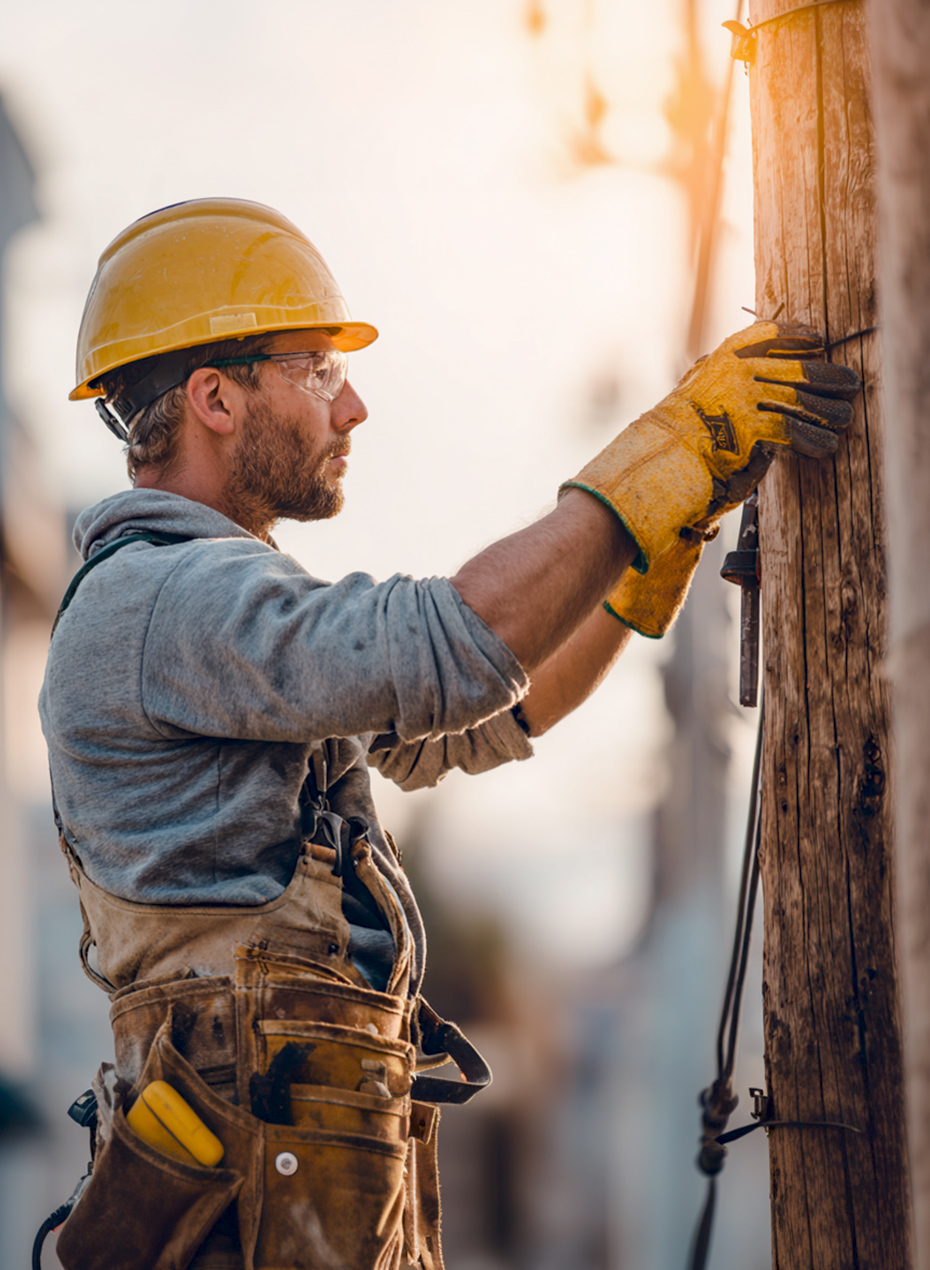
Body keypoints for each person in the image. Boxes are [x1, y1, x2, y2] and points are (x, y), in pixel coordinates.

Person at [39, 198, 859, 1270]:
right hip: (246, 1207)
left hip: (293, 1188)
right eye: (321, 370)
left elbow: (484, 716)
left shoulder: (213, 613)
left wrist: (647, 557)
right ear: (214, 398)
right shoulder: (159, 602)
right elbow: (454, 645)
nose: (355, 407)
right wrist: (669, 449)